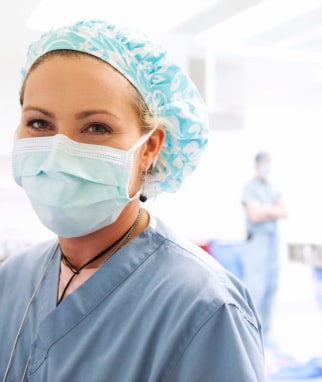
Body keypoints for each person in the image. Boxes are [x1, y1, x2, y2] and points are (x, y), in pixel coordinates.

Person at [0, 20, 266, 382]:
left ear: (149, 149)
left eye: (96, 128)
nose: (59, 153)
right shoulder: (14, 278)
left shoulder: (204, 308)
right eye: (39, 124)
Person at [241, 151, 288, 344]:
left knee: (271, 286)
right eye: (264, 163)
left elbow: (284, 211)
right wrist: (271, 210)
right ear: (257, 164)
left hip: (272, 241)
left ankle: (266, 335)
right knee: (256, 288)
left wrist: (264, 209)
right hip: (256, 242)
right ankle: (252, 333)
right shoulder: (250, 188)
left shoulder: (272, 188)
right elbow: (254, 216)